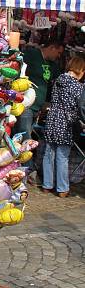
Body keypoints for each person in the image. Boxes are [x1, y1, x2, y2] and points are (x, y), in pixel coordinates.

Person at [14, 40, 64, 183]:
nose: (59, 56)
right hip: (26, 104)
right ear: (52, 47)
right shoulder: (32, 54)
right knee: (25, 135)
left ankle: (23, 167)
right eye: (58, 52)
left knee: (29, 137)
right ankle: (30, 170)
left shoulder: (53, 66)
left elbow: (55, 84)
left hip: (38, 107)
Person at [42, 55, 85, 198]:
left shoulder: (58, 80)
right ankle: (62, 188)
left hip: (52, 119)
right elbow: (80, 107)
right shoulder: (78, 86)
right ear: (80, 70)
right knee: (62, 156)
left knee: (49, 154)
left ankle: (47, 185)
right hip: (66, 123)